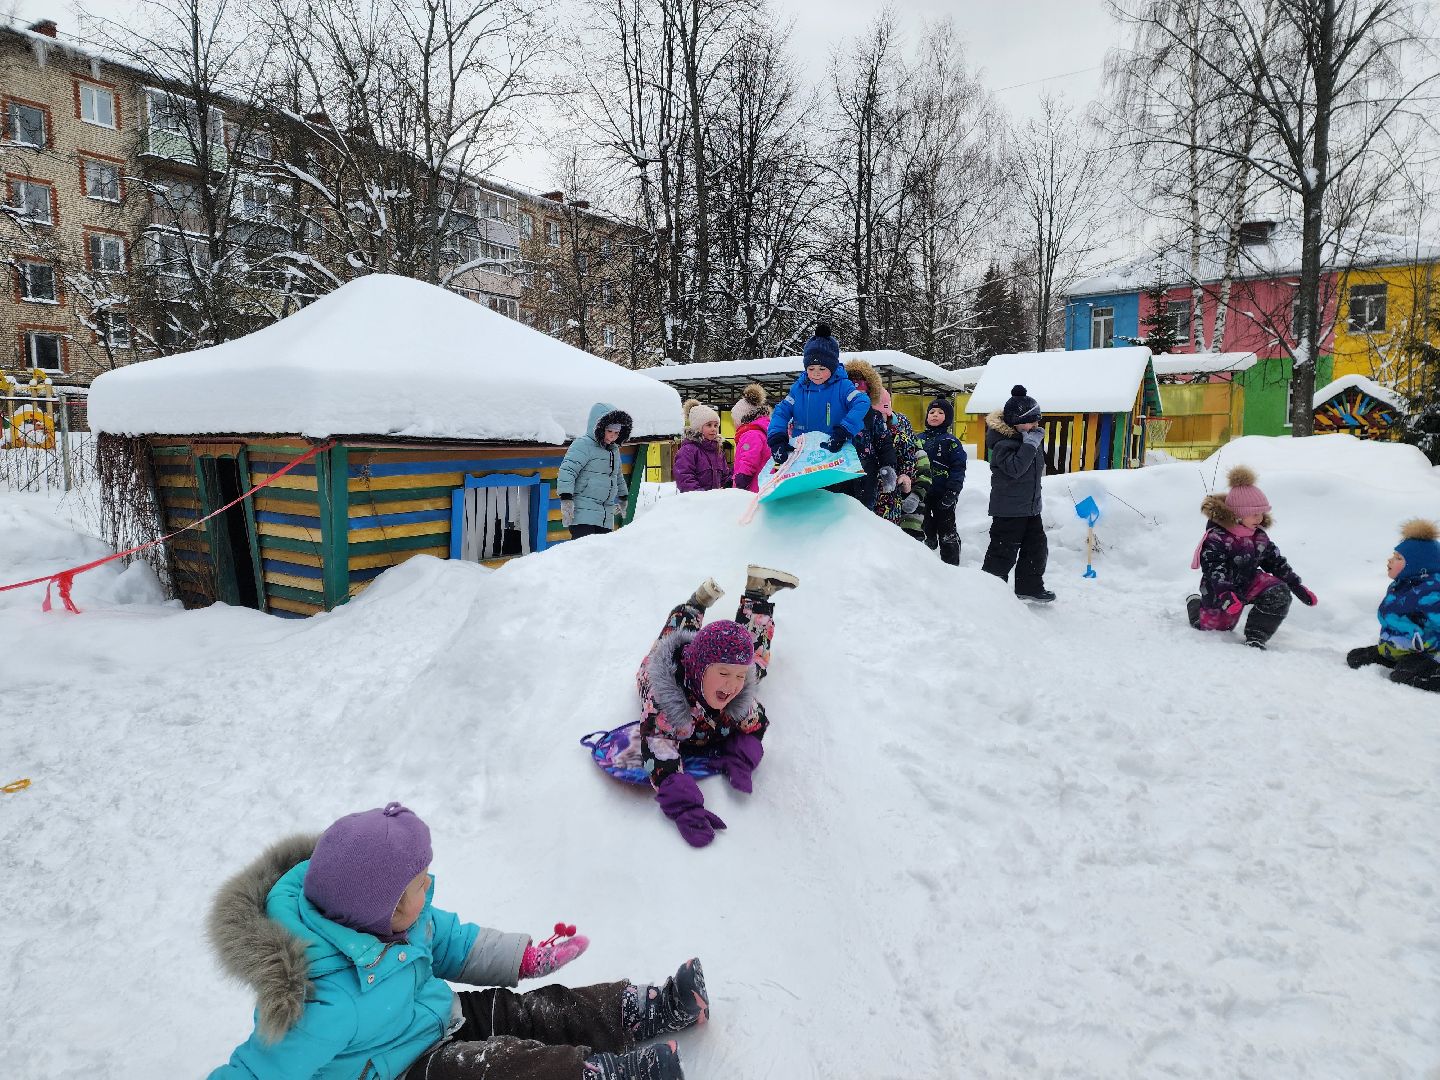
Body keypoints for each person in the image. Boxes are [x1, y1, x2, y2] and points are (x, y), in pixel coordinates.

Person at [208, 803, 705, 1080]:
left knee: (524, 1012)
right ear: (373, 909)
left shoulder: (402, 918)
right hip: (407, 1072)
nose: (428, 889)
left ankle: (644, 1007)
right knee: (507, 1068)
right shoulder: (322, 1000)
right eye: (417, 885)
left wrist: (524, 957)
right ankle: (606, 1075)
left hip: (439, 1017)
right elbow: (257, 1071)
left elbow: (453, 942)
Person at [638, 567, 799, 847]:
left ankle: (757, 596)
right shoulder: (664, 704)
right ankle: (696, 603)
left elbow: (757, 723)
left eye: (737, 676)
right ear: (700, 670)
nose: (732, 684)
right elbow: (660, 752)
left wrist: (741, 755)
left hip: (712, 662)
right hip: (667, 671)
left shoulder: (736, 694)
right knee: (679, 632)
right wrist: (685, 807)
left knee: (754, 666)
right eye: (723, 674)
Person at [1184, 465, 1317, 649]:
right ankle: (1194, 605)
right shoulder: (1217, 538)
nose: (1260, 518)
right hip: (1220, 590)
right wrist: (1226, 594)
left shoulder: (1258, 536)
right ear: (1238, 514)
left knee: (1279, 592)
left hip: (1249, 581)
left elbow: (1275, 562)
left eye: (1262, 513)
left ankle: (1256, 636)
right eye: (1254, 514)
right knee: (1215, 630)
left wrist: (1296, 585)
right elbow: (1215, 570)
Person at [1346, 519, 1440, 691]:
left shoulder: (1432, 592)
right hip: (1399, 650)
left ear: (1418, 566)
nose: (1390, 560)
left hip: (1428, 655)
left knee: (1403, 675)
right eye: (1393, 555)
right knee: (1355, 658)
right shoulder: (1401, 586)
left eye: (1398, 558)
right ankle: (1394, 654)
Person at [980, 386, 1052, 600]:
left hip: (1030, 508)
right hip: (1009, 510)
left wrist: (1031, 443)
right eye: (1031, 421)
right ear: (1015, 421)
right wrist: (1029, 445)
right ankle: (989, 591)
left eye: (1037, 421)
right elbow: (1015, 469)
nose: (1035, 426)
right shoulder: (1002, 443)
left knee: (1036, 549)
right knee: (1002, 552)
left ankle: (1029, 587)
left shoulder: (1029, 439)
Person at [766, 322, 869, 465]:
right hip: (803, 456)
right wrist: (777, 438)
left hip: (834, 454)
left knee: (832, 488)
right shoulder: (799, 388)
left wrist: (844, 430)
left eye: (822, 368)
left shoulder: (842, 386)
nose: (816, 374)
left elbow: (862, 402)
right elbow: (782, 411)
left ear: (832, 367)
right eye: (811, 368)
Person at [558, 403, 632, 538]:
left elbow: (617, 475)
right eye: (609, 431)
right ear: (599, 427)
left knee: (600, 555)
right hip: (583, 512)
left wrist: (623, 496)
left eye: (617, 433)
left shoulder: (613, 450)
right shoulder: (583, 444)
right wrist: (566, 498)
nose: (613, 436)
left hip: (605, 515)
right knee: (583, 553)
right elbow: (568, 470)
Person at [839, 358, 898, 510]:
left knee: (864, 512)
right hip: (839, 473)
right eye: (850, 385)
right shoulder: (834, 414)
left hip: (866, 474)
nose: (855, 390)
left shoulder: (874, 416)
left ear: (869, 389)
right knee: (839, 512)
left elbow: (884, 443)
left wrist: (888, 466)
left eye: (860, 385)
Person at [918, 398, 967, 566]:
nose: (935, 415)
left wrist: (953, 491)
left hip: (944, 493)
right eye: (931, 412)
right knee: (924, 524)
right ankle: (929, 553)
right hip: (922, 492)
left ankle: (951, 565)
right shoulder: (919, 439)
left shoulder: (951, 442)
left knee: (946, 529)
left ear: (947, 418)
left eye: (940, 413)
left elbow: (958, 468)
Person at [871, 388, 923, 528]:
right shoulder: (863, 433)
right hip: (867, 490)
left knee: (888, 533)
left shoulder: (897, 433)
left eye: (879, 416)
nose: (876, 421)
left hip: (890, 495)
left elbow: (909, 455)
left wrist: (906, 474)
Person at [673, 400, 730, 493]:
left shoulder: (717, 451)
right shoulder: (688, 451)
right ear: (698, 428)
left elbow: (725, 476)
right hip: (697, 503)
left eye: (716, 425)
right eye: (709, 425)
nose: (713, 429)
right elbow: (684, 478)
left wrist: (727, 488)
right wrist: (702, 496)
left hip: (717, 502)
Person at [730, 383, 771, 492]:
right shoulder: (761, 431)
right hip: (761, 484)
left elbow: (749, 459)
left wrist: (741, 478)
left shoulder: (751, 434)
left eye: (734, 420)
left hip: (752, 488)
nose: (734, 424)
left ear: (742, 419)